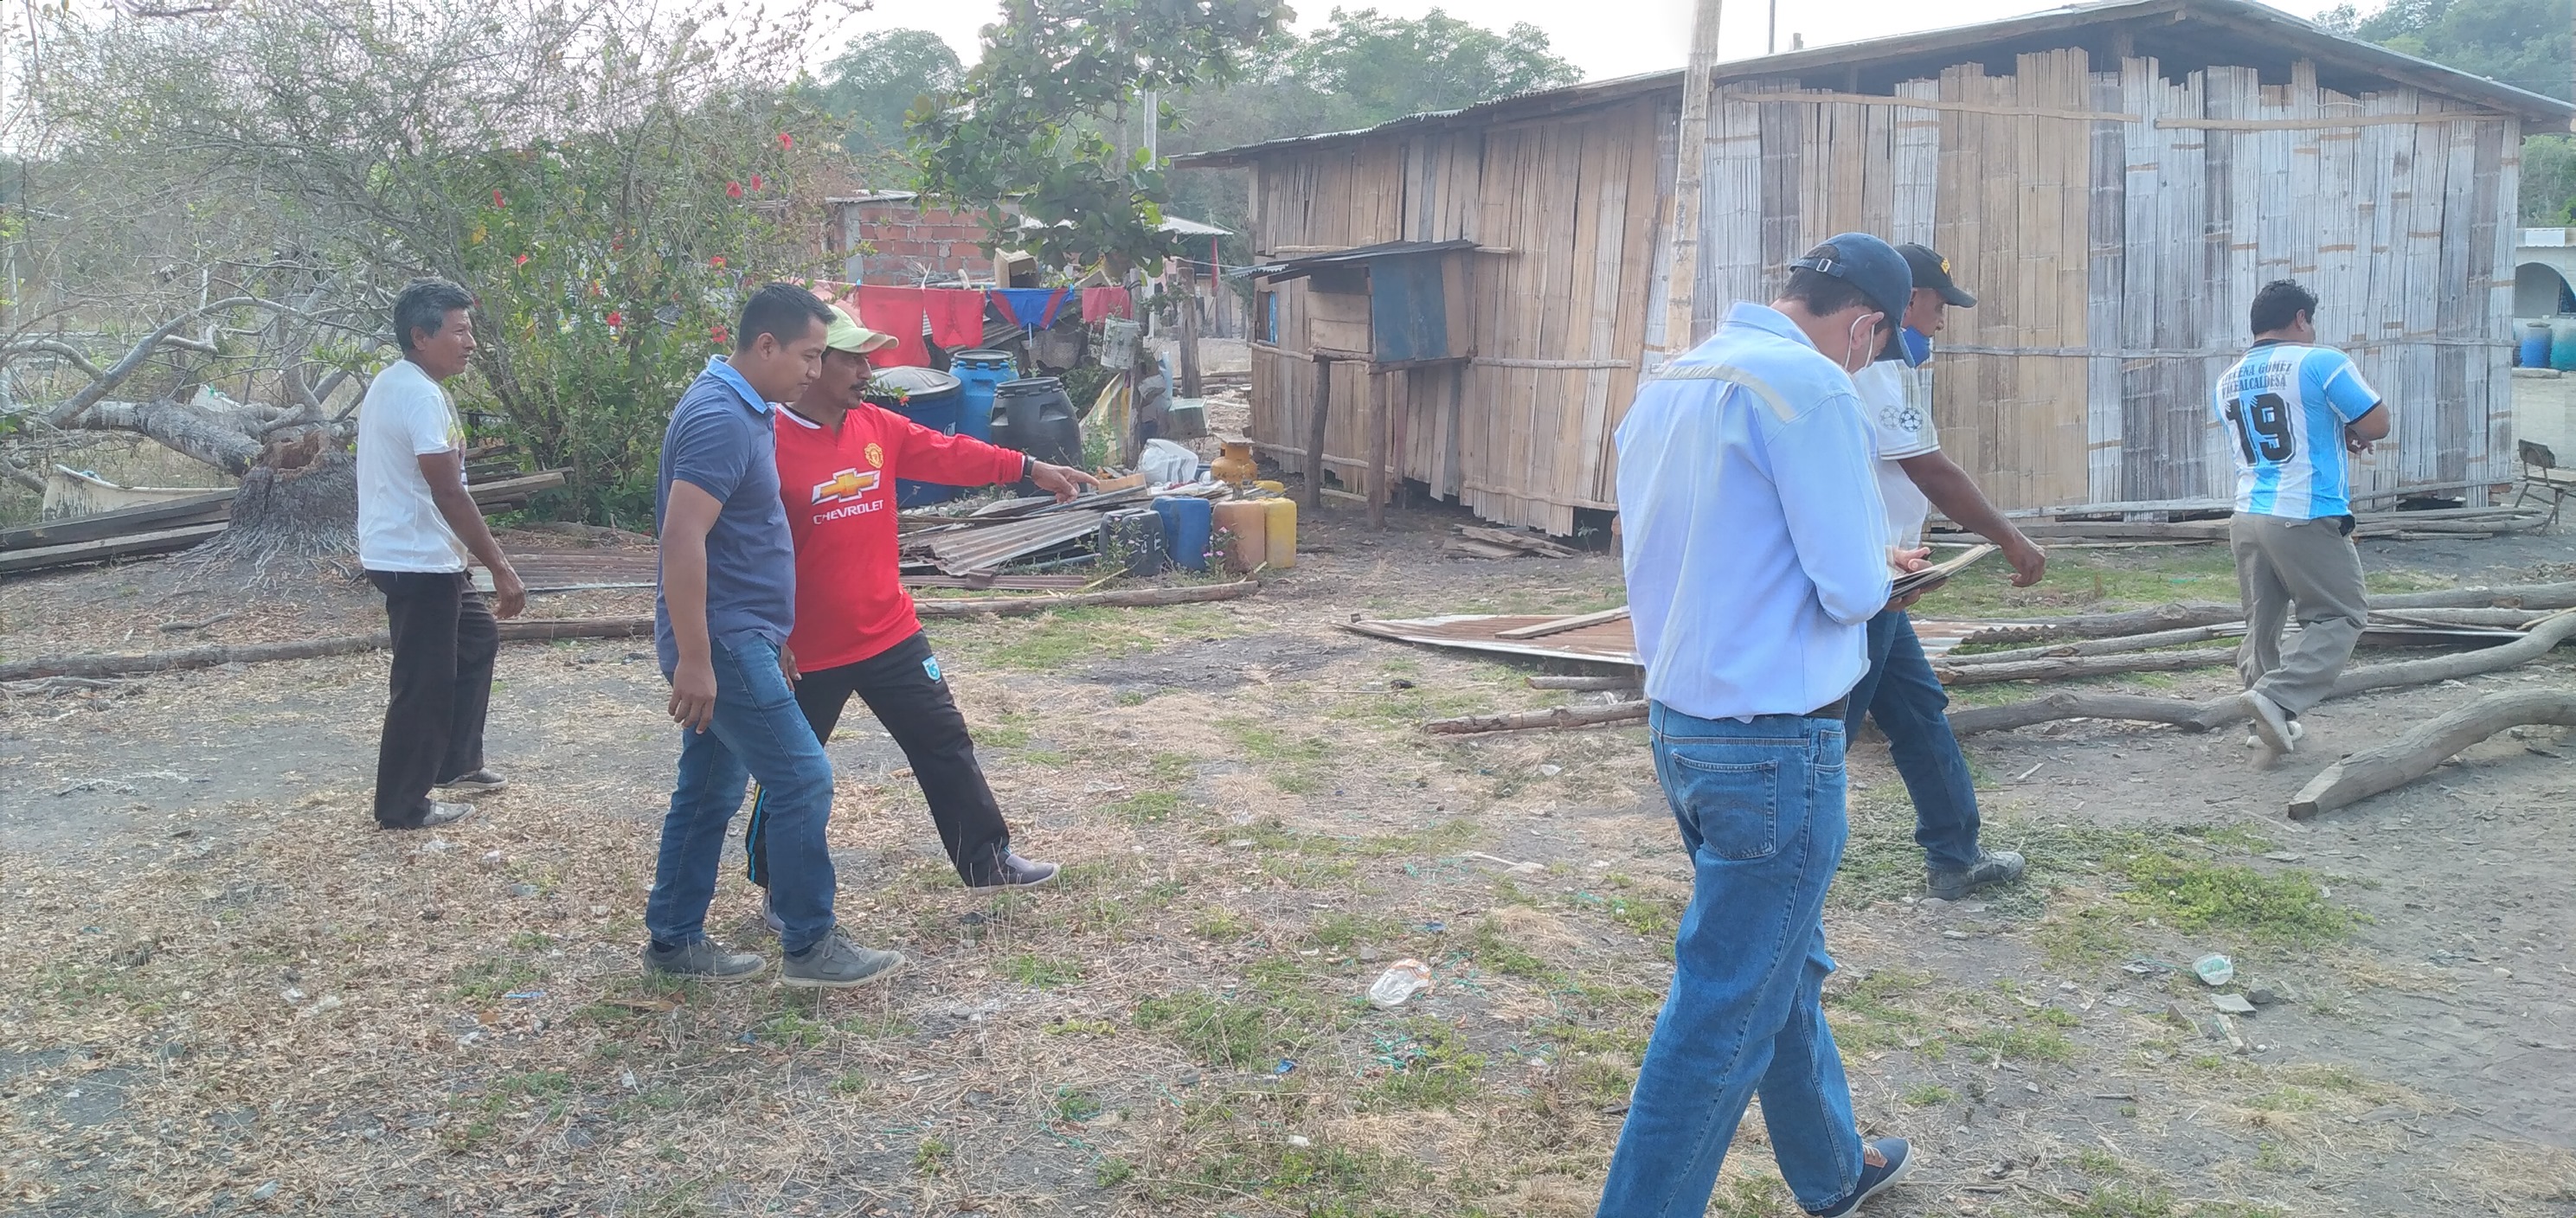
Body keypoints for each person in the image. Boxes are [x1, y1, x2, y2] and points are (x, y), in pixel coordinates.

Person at [1599, 234, 1922, 1218]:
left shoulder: (1673, 380)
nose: (1867, 362)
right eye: (1878, 346)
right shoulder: (1813, 388)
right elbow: (1849, 587)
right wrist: (1882, 567)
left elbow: (1717, 544)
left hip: (1683, 724)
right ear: (1865, 325)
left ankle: (1832, 1168)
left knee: (1777, 961)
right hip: (1774, 741)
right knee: (1724, 1005)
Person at [742, 302, 1095, 921]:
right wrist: (766, 632)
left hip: (889, 632)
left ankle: (987, 861)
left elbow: (951, 453)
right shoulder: (763, 440)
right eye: (851, 360)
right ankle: (778, 888)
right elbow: (739, 546)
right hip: (805, 650)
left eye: (866, 360)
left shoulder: (877, 426)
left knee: (944, 741)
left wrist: (1030, 468)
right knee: (793, 773)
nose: (865, 372)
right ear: (813, 364)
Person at [645, 283, 903, 989]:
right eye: (809, 356)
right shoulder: (720, 418)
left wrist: (773, 631)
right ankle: (810, 944)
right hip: (721, 640)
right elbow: (681, 538)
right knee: (801, 778)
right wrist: (695, 658)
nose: (815, 372)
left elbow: (744, 537)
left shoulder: (746, 407)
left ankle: (673, 941)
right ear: (766, 345)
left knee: (708, 790)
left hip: (742, 633)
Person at [1844, 243, 2043, 900]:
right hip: (1865, 578)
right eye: (1937, 304)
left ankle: (1955, 854)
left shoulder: (1874, 367)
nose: (1941, 319)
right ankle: (1780, 862)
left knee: (1917, 710)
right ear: (1906, 299)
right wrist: (2009, 538)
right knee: (1829, 732)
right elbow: (1933, 471)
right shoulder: (1875, 371)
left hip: (1886, 578)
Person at [355, 278, 526, 831]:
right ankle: (402, 805)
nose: (470, 342)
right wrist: (500, 566)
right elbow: (448, 491)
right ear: (420, 336)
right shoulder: (418, 394)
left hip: (424, 555)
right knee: (422, 684)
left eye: (469, 330)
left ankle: (456, 763)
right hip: (415, 560)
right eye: (459, 331)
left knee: (476, 640)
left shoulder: (402, 382)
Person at [2213, 279, 2388, 765]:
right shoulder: (2321, 362)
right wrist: (2351, 429)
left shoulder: (2228, 379)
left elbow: (2280, 430)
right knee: (2340, 614)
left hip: (2248, 512)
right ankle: (2277, 698)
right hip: (2305, 511)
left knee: (2262, 623)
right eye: (2311, 322)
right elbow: (2376, 423)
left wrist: (2336, 431)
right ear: (2300, 319)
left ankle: (2265, 720)